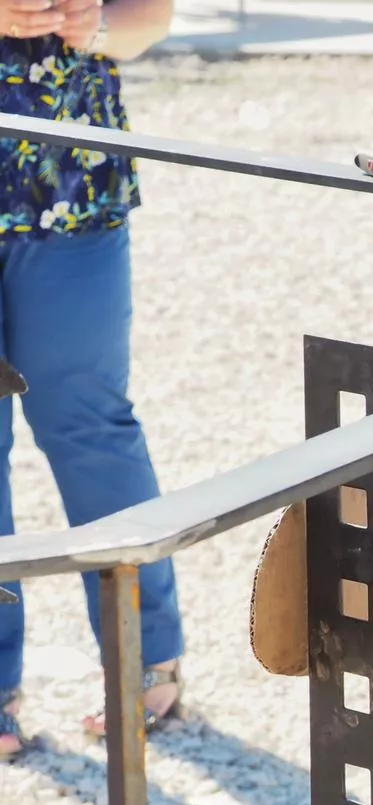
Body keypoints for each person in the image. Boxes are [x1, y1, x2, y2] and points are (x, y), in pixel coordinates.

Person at [1, 0, 182, 757]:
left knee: (90, 425)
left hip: (72, 187)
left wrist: (96, 27)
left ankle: (146, 660)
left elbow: (153, 18)